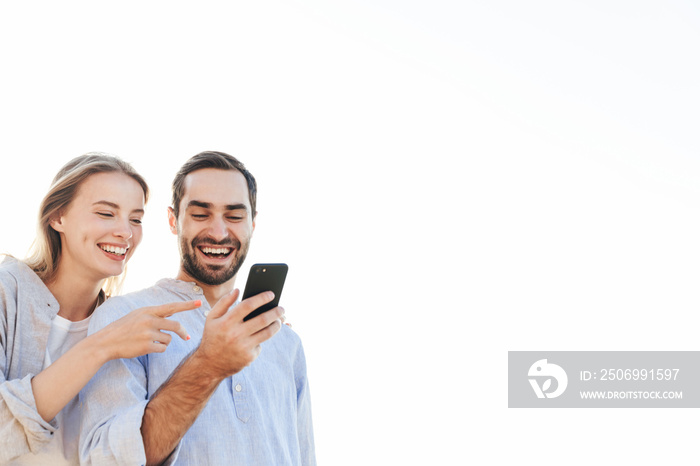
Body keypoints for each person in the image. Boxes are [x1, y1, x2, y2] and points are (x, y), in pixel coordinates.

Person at [80, 151, 315, 465]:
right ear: (173, 220)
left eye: (234, 216)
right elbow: (105, 460)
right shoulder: (121, 318)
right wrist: (208, 365)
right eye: (201, 214)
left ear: (253, 224)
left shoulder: (286, 343)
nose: (218, 233)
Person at [0, 153, 202, 465]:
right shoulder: (7, 291)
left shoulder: (124, 319)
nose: (126, 232)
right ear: (57, 217)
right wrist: (102, 346)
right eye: (106, 213)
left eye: (136, 219)